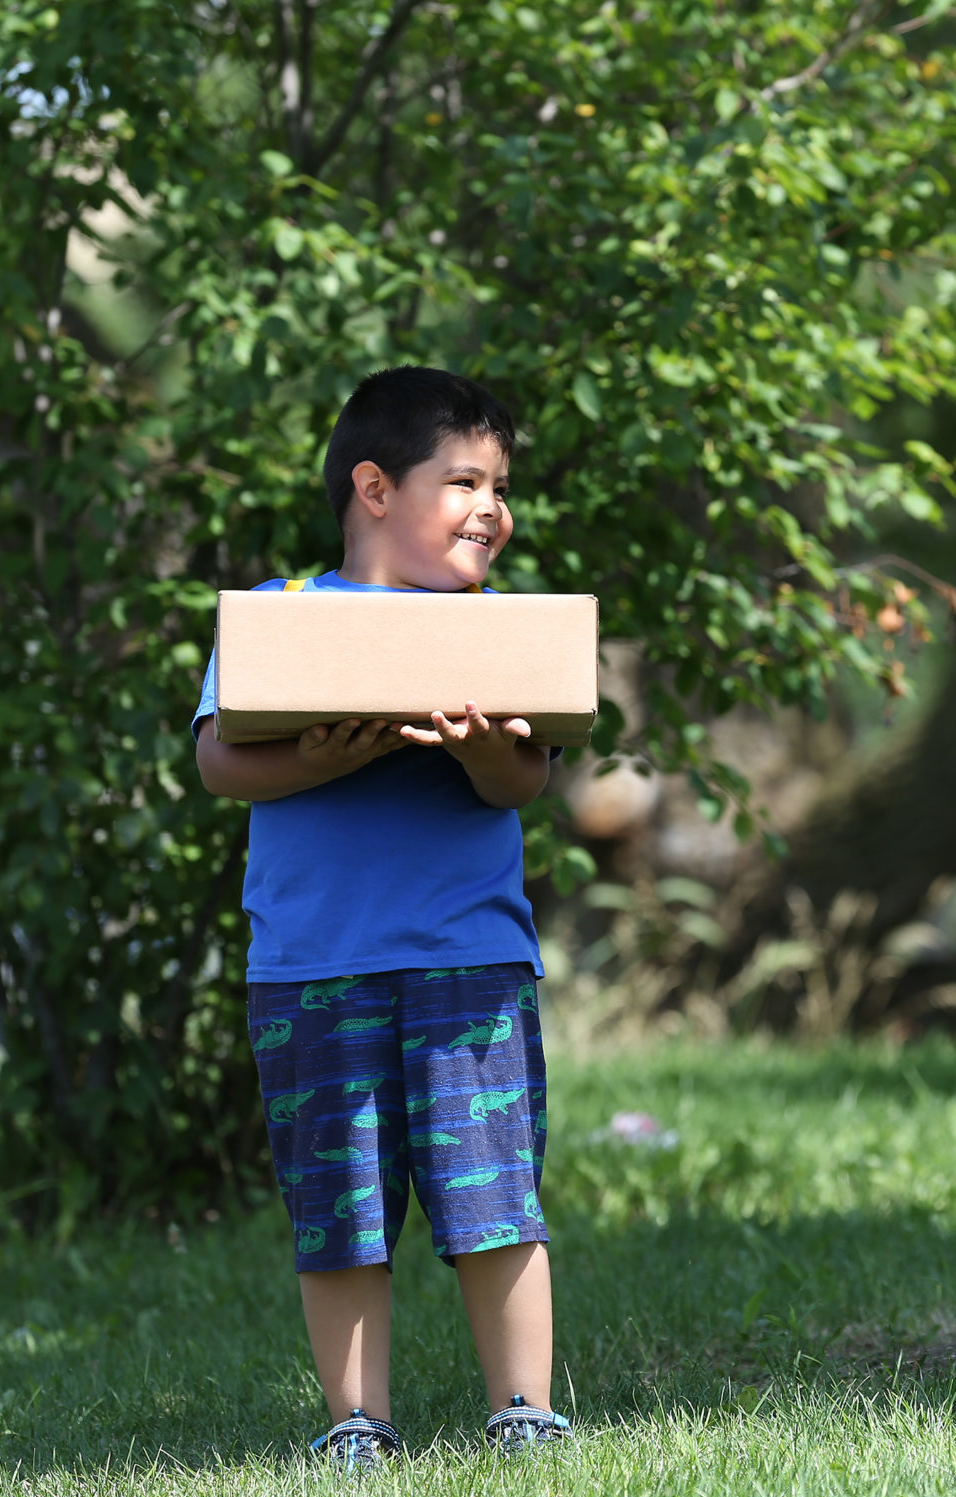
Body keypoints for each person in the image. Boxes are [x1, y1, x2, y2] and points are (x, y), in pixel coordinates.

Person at [193, 366, 569, 1466]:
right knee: (340, 1209)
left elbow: (521, 785)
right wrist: (314, 756)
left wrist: (480, 746)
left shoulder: (498, 632)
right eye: (462, 482)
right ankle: (356, 1424)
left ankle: (524, 1413)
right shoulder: (280, 620)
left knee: (493, 1193)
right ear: (373, 488)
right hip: (312, 969)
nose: (491, 510)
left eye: (499, 486)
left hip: (469, 964)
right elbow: (221, 762)